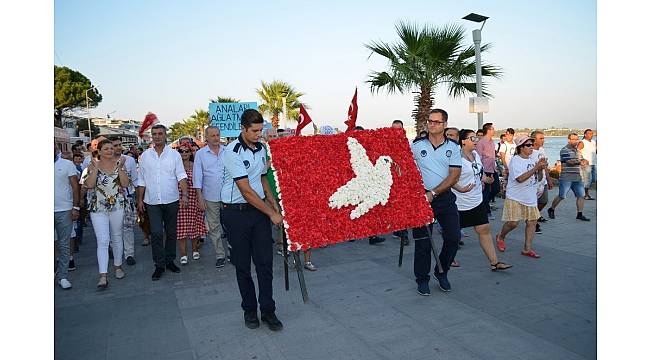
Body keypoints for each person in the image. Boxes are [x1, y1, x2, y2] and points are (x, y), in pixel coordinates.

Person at [221, 109, 284, 331]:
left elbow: (261, 177)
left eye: (261, 130)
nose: (259, 135)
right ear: (243, 129)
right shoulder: (232, 151)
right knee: (243, 266)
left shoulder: (261, 148)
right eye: (255, 131)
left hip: (258, 213)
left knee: (265, 263)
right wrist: (271, 213)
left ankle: (268, 310)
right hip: (235, 213)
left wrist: (271, 198)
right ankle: (249, 310)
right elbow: (246, 191)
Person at [410, 108, 461, 296]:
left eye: (437, 122)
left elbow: (454, 176)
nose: (432, 124)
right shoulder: (416, 145)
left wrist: (434, 192)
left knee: (454, 237)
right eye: (430, 121)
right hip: (421, 199)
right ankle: (422, 279)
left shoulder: (453, 148)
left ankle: (442, 271)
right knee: (423, 242)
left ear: (445, 125)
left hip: (444, 198)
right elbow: (404, 167)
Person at [452, 130, 512, 271]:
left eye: (476, 138)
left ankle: (494, 262)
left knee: (484, 229)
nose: (476, 140)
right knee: (453, 235)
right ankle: (448, 258)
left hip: (476, 201)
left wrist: (486, 178)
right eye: (472, 138)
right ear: (463, 141)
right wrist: (460, 189)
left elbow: (479, 173)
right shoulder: (456, 158)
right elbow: (449, 179)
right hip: (458, 203)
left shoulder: (475, 155)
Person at [136, 124, 189, 280]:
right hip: (151, 201)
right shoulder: (145, 156)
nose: (157, 136)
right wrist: (140, 199)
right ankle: (159, 265)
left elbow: (181, 176)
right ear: (151, 136)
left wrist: (185, 194)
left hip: (171, 199)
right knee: (157, 233)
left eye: (160, 133)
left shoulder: (174, 155)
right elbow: (141, 180)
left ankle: (170, 261)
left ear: (165, 135)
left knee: (171, 232)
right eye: (154, 133)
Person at [83, 139, 130, 288]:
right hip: (98, 208)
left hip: (116, 206)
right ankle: (103, 275)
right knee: (103, 240)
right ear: (100, 152)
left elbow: (125, 183)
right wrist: (96, 167)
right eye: (106, 149)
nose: (110, 151)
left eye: (112, 148)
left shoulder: (119, 165)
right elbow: (89, 185)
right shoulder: (90, 166)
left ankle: (118, 266)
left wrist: (120, 167)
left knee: (116, 237)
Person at [496, 135, 547, 258]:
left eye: (532, 145)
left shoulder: (531, 160)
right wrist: (536, 167)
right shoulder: (515, 160)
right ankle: (501, 236)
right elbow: (520, 179)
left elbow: (538, 178)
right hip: (516, 196)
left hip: (530, 197)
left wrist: (540, 169)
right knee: (513, 223)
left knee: (532, 222)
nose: (531, 147)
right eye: (528, 145)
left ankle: (527, 249)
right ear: (520, 147)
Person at [193, 126, 229, 268]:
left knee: (231, 225)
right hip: (210, 196)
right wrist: (199, 197)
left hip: (228, 196)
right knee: (214, 227)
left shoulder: (227, 151)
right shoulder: (201, 154)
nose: (216, 138)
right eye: (212, 135)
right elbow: (197, 177)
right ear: (206, 138)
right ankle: (220, 254)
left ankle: (233, 252)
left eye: (217, 135)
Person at [174, 143, 207, 265]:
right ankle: (183, 254)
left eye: (186, 151)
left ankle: (194, 250)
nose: (184, 153)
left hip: (194, 198)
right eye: (181, 151)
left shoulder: (196, 166)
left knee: (195, 224)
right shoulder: (175, 167)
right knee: (181, 226)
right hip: (179, 199)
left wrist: (202, 198)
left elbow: (202, 182)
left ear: (190, 152)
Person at [353, 125, 386, 245]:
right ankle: (352, 231)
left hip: (369, 182)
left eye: (361, 134)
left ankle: (373, 235)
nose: (359, 136)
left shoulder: (371, 147)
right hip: (356, 182)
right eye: (356, 134)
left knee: (372, 209)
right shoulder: (349, 147)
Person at [547, 133, 591, 221]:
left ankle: (579, 214)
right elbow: (569, 162)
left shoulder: (578, 151)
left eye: (577, 139)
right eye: (573, 139)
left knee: (581, 195)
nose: (576, 141)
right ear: (569, 140)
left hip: (577, 177)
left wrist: (585, 161)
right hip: (566, 177)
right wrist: (579, 162)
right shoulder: (564, 150)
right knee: (562, 196)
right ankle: (551, 209)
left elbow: (582, 160)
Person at [110, 137, 139, 266]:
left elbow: (135, 180)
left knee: (127, 228)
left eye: (119, 145)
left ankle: (129, 254)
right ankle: (115, 251)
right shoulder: (104, 161)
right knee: (113, 228)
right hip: (110, 200)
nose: (118, 147)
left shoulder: (129, 160)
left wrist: (138, 198)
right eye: (115, 145)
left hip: (127, 197)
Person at [54, 144, 80, 289]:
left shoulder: (67, 164)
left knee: (63, 244)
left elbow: (75, 186)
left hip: (64, 209)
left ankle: (63, 276)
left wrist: (75, 207)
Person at [390, 119, 410, 246]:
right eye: (394, 129)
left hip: (402, 181)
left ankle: (404, 234)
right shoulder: (385, 143)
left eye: (399, 129)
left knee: (402, 208)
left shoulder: (407, 144)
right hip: (388, 181)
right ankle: (397, 229)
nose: (396, 131)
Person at [476, 123, 500, 221]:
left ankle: (483, 204)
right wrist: (481, 172)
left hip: (493, 169)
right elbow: (479, 157)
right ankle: (486, 211)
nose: (494, 130)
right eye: (493, 129)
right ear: (488, 130)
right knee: (485, 192)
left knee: (496, 188)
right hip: (485, 170)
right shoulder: (481, 143)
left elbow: (492, 156)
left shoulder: (492, 142)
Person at [530, 131, 553, 234]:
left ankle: (535, 216)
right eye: (541, 138)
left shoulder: (542, 150)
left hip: (542, 181)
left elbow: (545, 166)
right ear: (534, 140)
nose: (543, 140)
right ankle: (533, 223)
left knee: (544, 201)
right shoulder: (529, 152)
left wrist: (548, 179)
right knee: (533, 203)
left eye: (543, 138)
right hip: (533, 183)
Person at [580, 129, 597, 200]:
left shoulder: (593, 142)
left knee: (594, 179)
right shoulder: (582, 142)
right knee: (588, 180)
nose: (591, 135)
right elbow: (577, 151)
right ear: (585, 135)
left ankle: (583, 192)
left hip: (594, 163)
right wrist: (582, 160)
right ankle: (586, 195)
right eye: (589, 134)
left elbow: (595, 151)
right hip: (586, 164)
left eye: (592, 133)